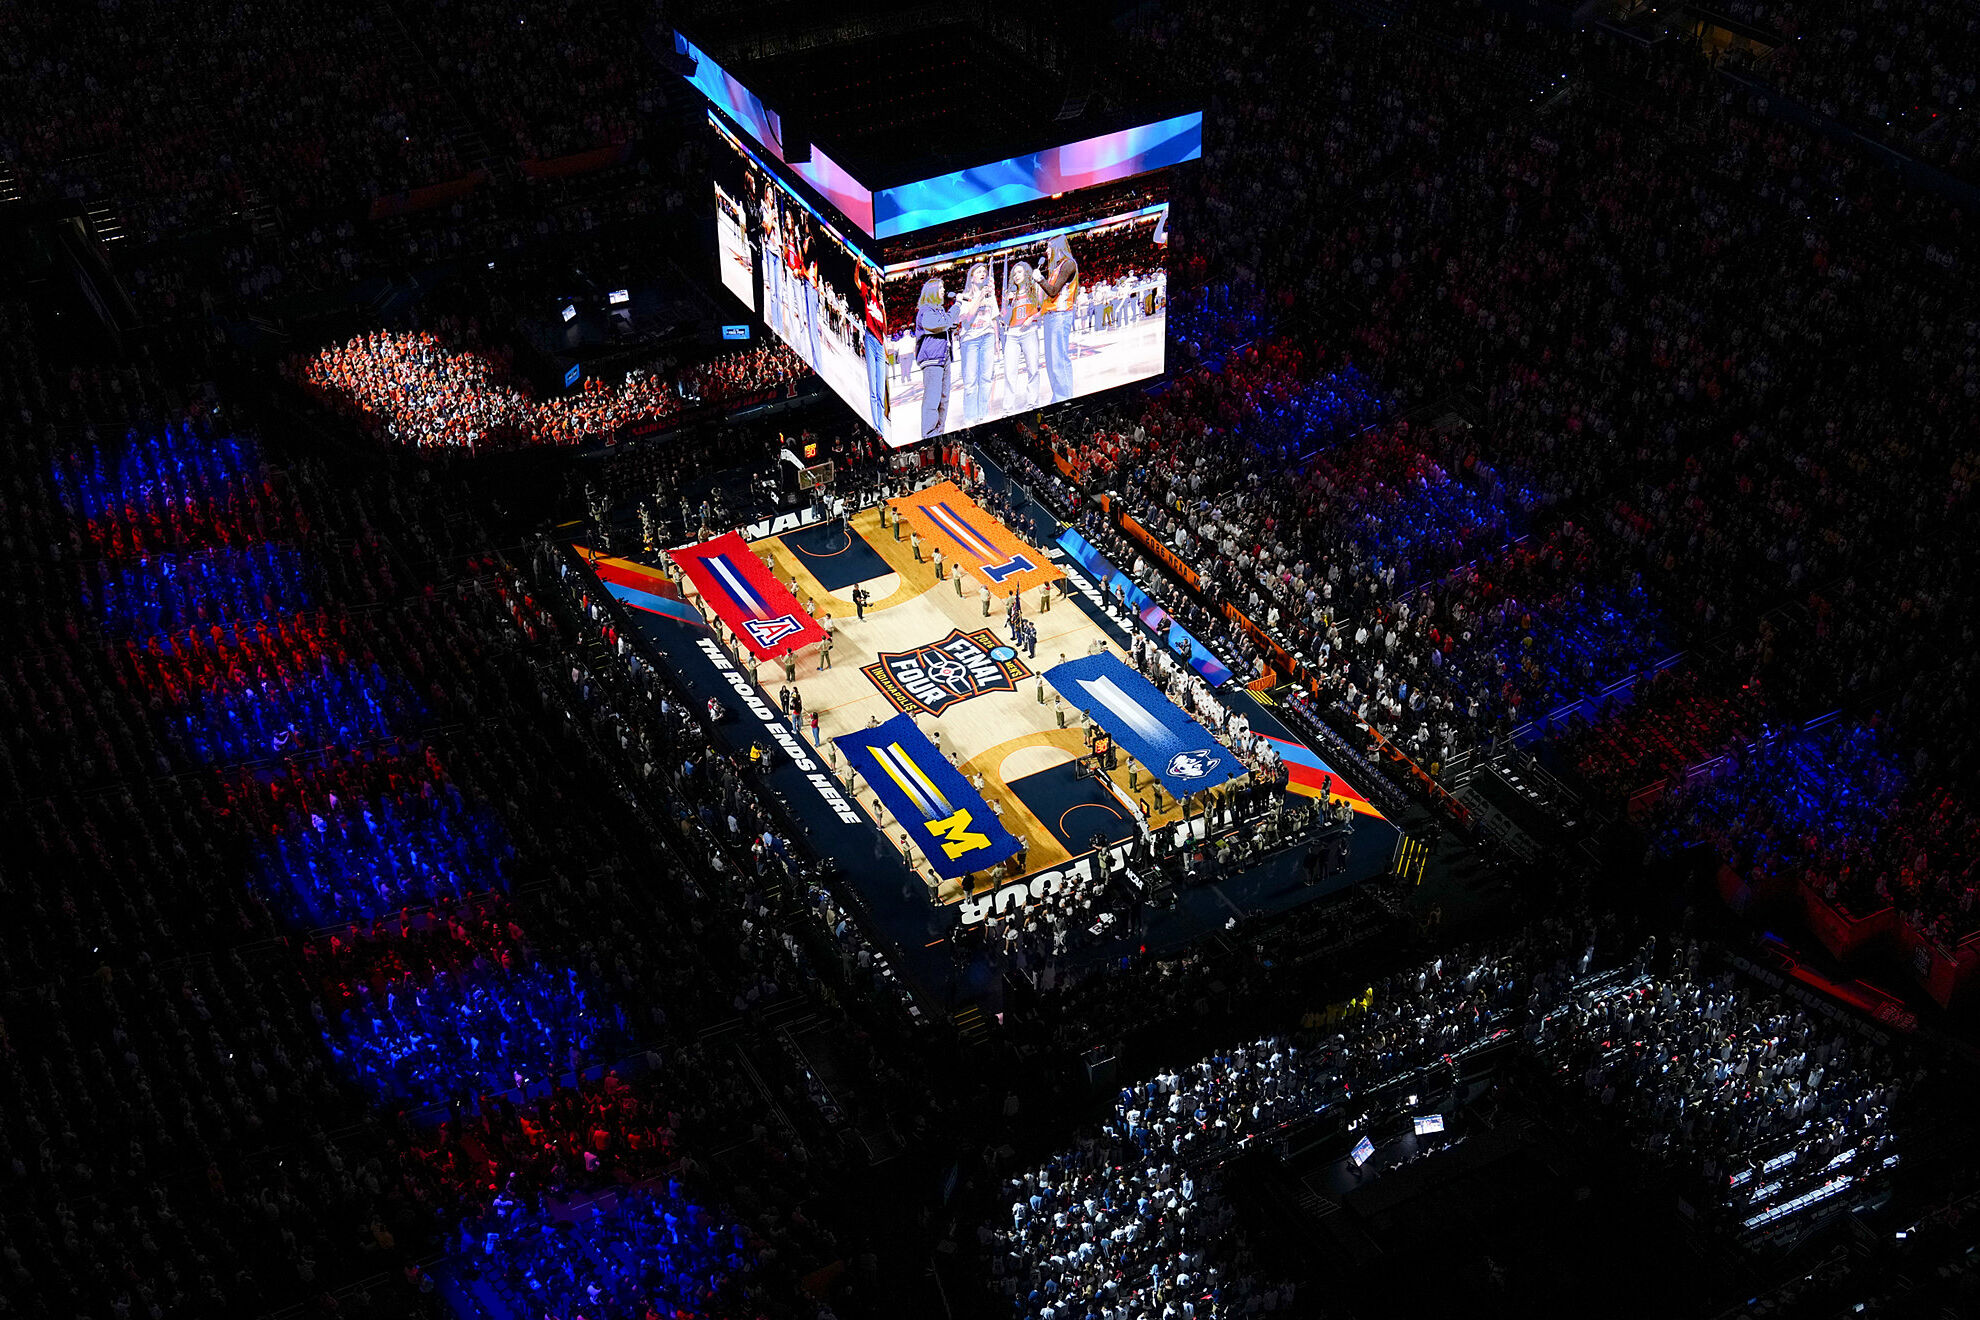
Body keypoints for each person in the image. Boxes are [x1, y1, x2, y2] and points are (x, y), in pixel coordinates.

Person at [955, 262, 1000, 426]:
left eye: (984, 271)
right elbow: (967, 317)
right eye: (979, 271)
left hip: (987, 336)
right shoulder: (963, 296)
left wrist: (996, 341)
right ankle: (970, 416)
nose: (983, 273)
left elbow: (994, 318)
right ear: (972, 277)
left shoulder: (990, 295)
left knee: (986, 377)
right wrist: (980, 297)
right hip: (970, 340)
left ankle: (983, 414)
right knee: (971, 381)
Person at [913, 277, 957, 439]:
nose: (943, 290)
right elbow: (939, 324)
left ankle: (939, 431)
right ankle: (929, 434)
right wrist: (957, 306)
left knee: (944, 397)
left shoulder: (939, 310)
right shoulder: (925, 310)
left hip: (943, 357)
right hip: (932, 359)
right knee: (933, 398)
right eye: (940, 288)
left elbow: (948, 323)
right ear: (931, 291)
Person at [1000, 260, 1045, 411]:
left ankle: (1032, 403)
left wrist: (1032, 318)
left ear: (1026, 273)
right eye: (1014, 273)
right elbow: (1004, 318)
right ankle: (1008, 408)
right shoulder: (1010, 294)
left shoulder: (1035, 289)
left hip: (1029, 332)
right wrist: (1007, 303)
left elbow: (1043, 309)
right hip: (1011, 334)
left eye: (1019, 272)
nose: (1016, 275)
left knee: (1033, 369)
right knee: (1009, 372)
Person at [1039, 234, 1079, 403]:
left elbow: (1053, 291)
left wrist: (1040, 279)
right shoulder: (1055, 268)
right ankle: (1058, 395)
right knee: (1051, 360)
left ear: (1056, 247)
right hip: (1052, 316)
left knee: (1058, 359)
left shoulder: (1068, 264)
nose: (1046, 251)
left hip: (1060, 315)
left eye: (1049, 247)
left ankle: (1064, 398)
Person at [855, 261, 888, 431]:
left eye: (876, 274)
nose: (874, 275)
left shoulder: (881, 300)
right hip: (869, 338)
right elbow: (855, 280)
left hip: (881, 343)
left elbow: (886, 329)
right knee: (873, 388)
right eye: (872, 274)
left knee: (881, 388)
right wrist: (858, 265)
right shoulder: (866, 292)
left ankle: (881, 425)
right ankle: (876, 425)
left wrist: (882, 309)